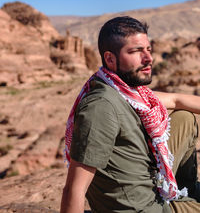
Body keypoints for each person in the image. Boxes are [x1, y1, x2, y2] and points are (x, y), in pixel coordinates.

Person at [60, 16, 200, 213]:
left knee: (184, 119)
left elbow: (177, 100)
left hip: (149, 186)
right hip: (143, 208)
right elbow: (74, 189)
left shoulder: (124, 90)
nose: (148, 58)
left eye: (148, 50)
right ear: (110, 58)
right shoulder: (101, 107)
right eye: (136, 51)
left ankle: (185, 192)